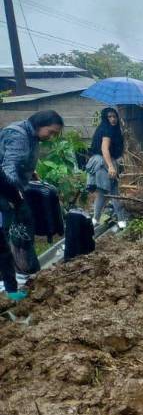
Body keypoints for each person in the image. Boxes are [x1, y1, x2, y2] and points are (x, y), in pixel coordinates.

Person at [0, 110, 63, 300]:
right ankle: (17, 277)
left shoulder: (31, 135)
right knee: (15, 232)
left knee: (20, 230)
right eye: (50, 132)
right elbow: (9, 167)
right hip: (7, 192)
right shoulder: (18, 135)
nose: (51, 137)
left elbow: (19, 160)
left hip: (11, 190)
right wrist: (15, 197)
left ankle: (20, 274)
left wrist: (31, 171)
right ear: (39, 124)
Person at [86, 107, 128, 229]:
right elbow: (105, 149)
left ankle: (95, 219)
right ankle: (121, 219)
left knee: (103, 193)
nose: (113, 119)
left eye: (114, 116)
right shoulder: (107, 130)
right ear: (105, 118)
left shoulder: (112, 129)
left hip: (104, 161)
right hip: (103, 162)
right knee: (112, 191)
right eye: (109, 117)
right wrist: (110, 166)